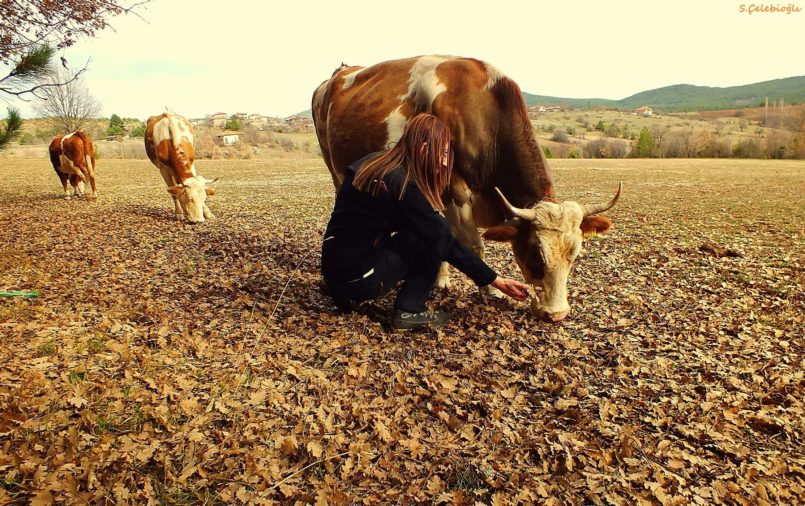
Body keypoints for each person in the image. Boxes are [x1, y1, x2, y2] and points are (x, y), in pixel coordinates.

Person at [321, 113, 529, 330]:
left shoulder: (370, 163)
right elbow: (445, 242)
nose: (446, 162)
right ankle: (410, 311)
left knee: (423, 231)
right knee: (432, 238)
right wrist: (495, 280)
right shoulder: (403, 185)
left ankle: (344, 291)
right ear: (422, 149)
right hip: (359, 279)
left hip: (334, 272)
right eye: (444, 153)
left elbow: (359, 223)